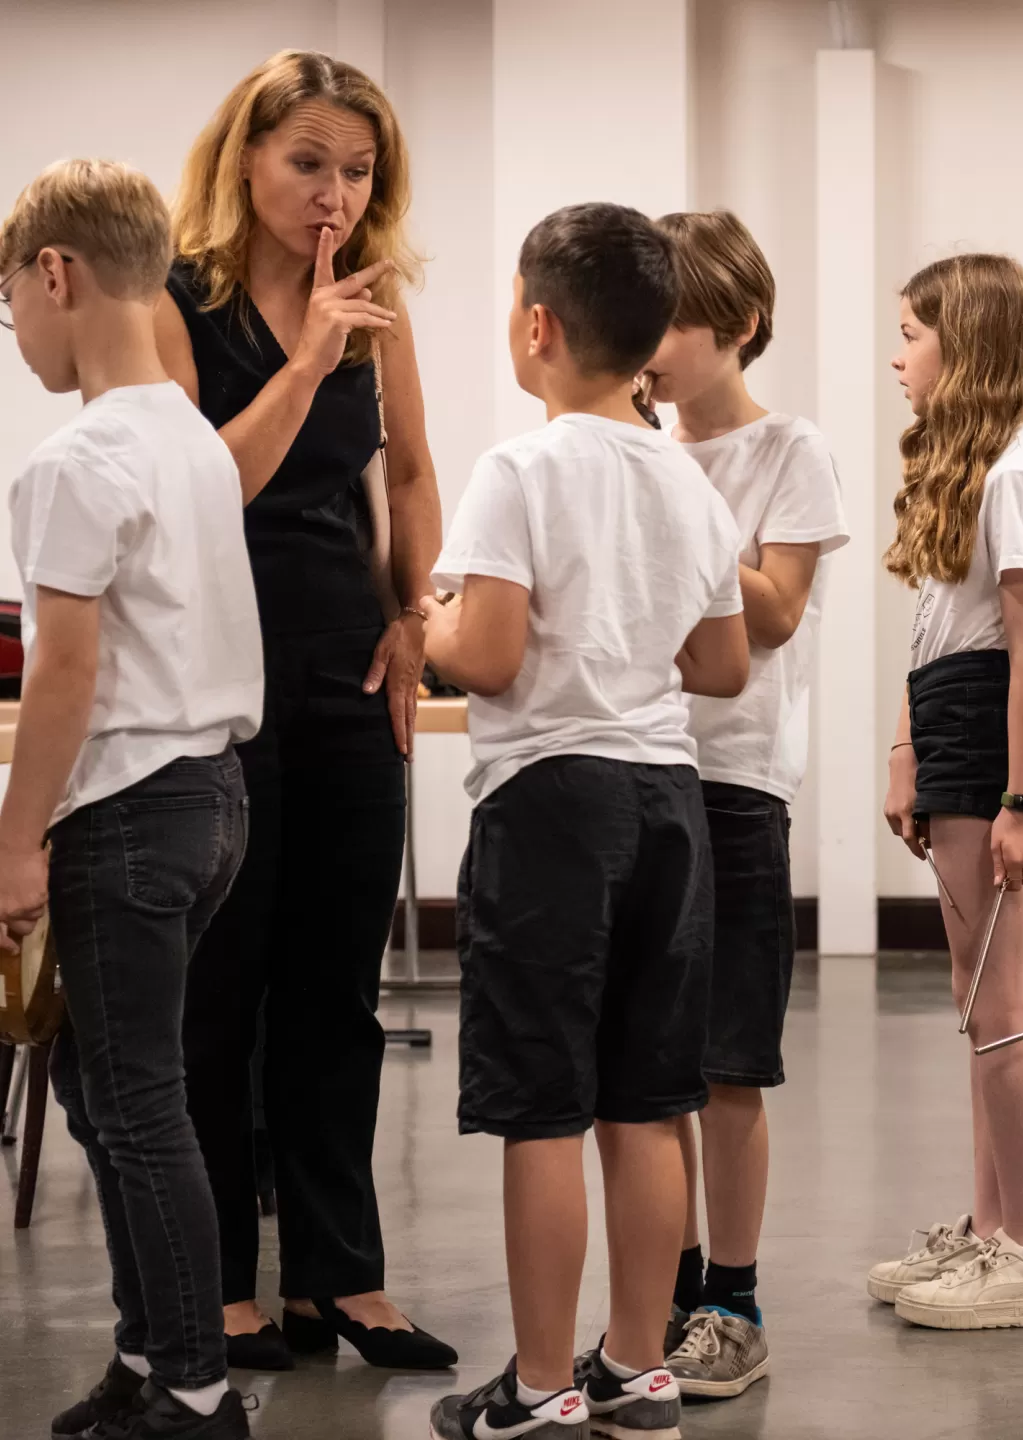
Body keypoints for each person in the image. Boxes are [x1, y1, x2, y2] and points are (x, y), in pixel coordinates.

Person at [420, 202, 748, 1439]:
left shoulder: (520, 467)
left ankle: (543, 1385)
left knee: (543, 1107)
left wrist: (438, 619)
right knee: (648, 1099)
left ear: (537, 323)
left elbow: (492, 657)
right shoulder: (688, 479)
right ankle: (638, 1365)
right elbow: (719, 665)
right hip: (668, 801)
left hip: (551, 800)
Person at [155, 49, 452, 1370]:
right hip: (212, 669)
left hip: (342, 663)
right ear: (246, 160)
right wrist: (312, 352)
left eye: (359, 169)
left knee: (337, 984)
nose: (335, 194)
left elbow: (419, 473)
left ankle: (342, 1274)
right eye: (308, 163)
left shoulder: (375, 303)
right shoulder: (177, 302)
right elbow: (204, 486)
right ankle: (221, 1278)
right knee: (223, 983)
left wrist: (410, 619)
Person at [0, 159, 261, 1440]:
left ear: (56, 273)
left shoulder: (81, 456)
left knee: (137, 1098)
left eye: (11, 307)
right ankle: (151, 1356)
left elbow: (64, 678)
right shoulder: (195, 447)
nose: (19, 335)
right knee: (109, 1093)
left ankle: (198, 1391)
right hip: (212, 798)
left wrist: (13, 846)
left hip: (129, 810)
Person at [645, 208, 849, 1396]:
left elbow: (771, 612)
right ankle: (667, 1295)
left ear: (739, 326)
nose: (653, 346)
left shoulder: (790, 451)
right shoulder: (635, 444)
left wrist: (667, 485)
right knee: (652, 1063)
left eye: (674, 319)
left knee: (728, 1062)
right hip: (645, 764)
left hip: (738, 778)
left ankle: (734, 1295)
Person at [868, 253, 1023, 1329]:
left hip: (996, 728)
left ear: (967, 342)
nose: (896, 355)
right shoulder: (975, 468)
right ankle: (994, 1229)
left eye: (911, 333)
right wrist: (907, 749)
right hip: (956, 715)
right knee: (977, 1003)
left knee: (1002, 1007)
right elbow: (934, 631)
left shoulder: (1018, 473)